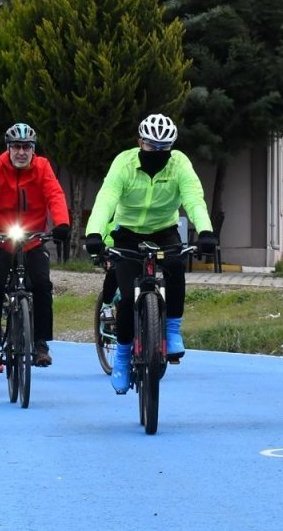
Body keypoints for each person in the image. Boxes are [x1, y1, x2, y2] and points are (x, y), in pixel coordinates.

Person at [84, 114, 217, 393]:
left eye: (163, 148)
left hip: (164, 229)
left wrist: (205, 231)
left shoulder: (179, 163)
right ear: (139, 142)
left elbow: (193, 198)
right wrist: (94, 233)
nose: (156, 152)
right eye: (150, 146)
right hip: (128, 232)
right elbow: (106, 198)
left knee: (176, 268)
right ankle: (121, 358)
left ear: (171, 147)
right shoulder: (124, 163)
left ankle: (172, 330)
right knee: (125, 291)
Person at [0, 123, 70, 368]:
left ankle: (41, 344)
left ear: (33, 149)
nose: (21, 152)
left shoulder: (43, 167)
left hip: (32, 239)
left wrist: (61, 224)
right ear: (9, 148)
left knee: (43, 285)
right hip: (0, 239)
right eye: (16, 147)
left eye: (27, 147)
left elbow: (55, 195)